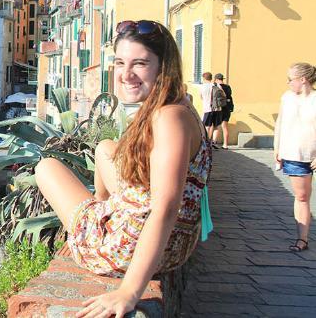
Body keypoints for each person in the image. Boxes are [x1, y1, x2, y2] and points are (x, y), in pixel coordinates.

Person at [34, 20, 211, 317]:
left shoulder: (168, 118)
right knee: (105, 148)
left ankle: (94, 229)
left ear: (163, 67)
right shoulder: (180, 105)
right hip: (174, 244)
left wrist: (129, 292)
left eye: (140, 63)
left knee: (47, 167)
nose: (126, 75)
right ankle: (105, 210)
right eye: (120, 63)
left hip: (129, 249)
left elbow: (165, 207)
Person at [274, 62, 316, 252]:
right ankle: (302, 239)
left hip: (313, 151)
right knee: (301, 196)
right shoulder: (287, 98)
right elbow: (281, 123)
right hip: (293, 153)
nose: (288, 83)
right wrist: (277, 148)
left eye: (290, 79)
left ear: (303, 80)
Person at [200, 72, 222, 145]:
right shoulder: (217, 85)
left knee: (207, 126)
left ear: (204, 78)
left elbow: (201, 97)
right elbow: (223, 95)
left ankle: (206, 141)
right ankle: (214, 142)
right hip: (217, 108)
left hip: (207, 109)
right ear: (211, 78)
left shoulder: (202, 87)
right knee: (216, 126)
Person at [212, 73, 233, 149]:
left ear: (216, 79)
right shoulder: (228, 87)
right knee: (225, 127)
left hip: (219, 108)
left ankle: (214, 142)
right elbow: (229, 96)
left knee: (216, 126)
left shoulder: (215, 87)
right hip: (227, 109)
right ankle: (225, 144)